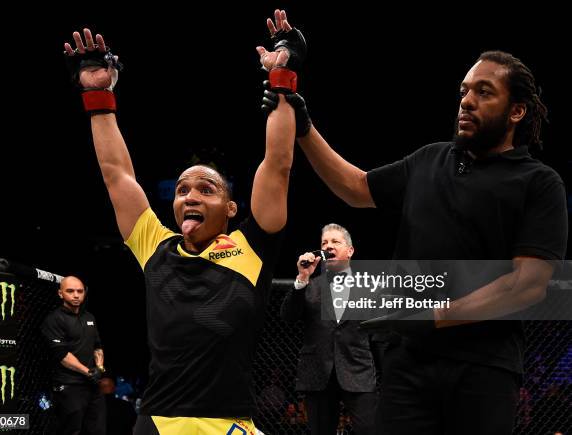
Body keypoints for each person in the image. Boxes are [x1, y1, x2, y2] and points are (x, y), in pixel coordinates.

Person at [260, 28, 568, 435]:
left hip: (483, 368)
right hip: (408, 365)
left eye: (484, 92)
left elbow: (528, 284)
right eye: (464, 91)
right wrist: (303, 125)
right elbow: (355, 188)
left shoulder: (538, 182)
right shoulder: (431, 160)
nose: (467, 101)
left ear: (517, 112)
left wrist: (436, 316)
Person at [63, 9, 297, 433]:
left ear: (231, 209)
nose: (190, 195)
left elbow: (277, 164)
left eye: (207, 190)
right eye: (184, 189)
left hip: (229, 423)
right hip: (156, 423)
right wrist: (99, 100)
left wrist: (282, 81)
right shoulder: (156, 244)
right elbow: (116, 174)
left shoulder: (252, 247)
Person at [281, 224, 377, 434]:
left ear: (350, 250)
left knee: (369, 428)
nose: (329, 246)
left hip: (357, 371)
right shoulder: (310, 285)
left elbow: (382, 331)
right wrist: (302, 278)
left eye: (335, 241)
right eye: (324, 243)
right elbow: (287, 317)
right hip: (317, 373)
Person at [41, 276, 106, 435]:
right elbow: (62, 355)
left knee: (97, 430)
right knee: (71, 430)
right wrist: (89, 372)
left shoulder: (89, 317)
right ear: (60, 293)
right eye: (70, 291)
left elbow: (97, 346)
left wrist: (99, 368)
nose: (76, 295)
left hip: (92, 385)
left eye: (80, 291)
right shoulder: (53, 320)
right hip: (69, 386)